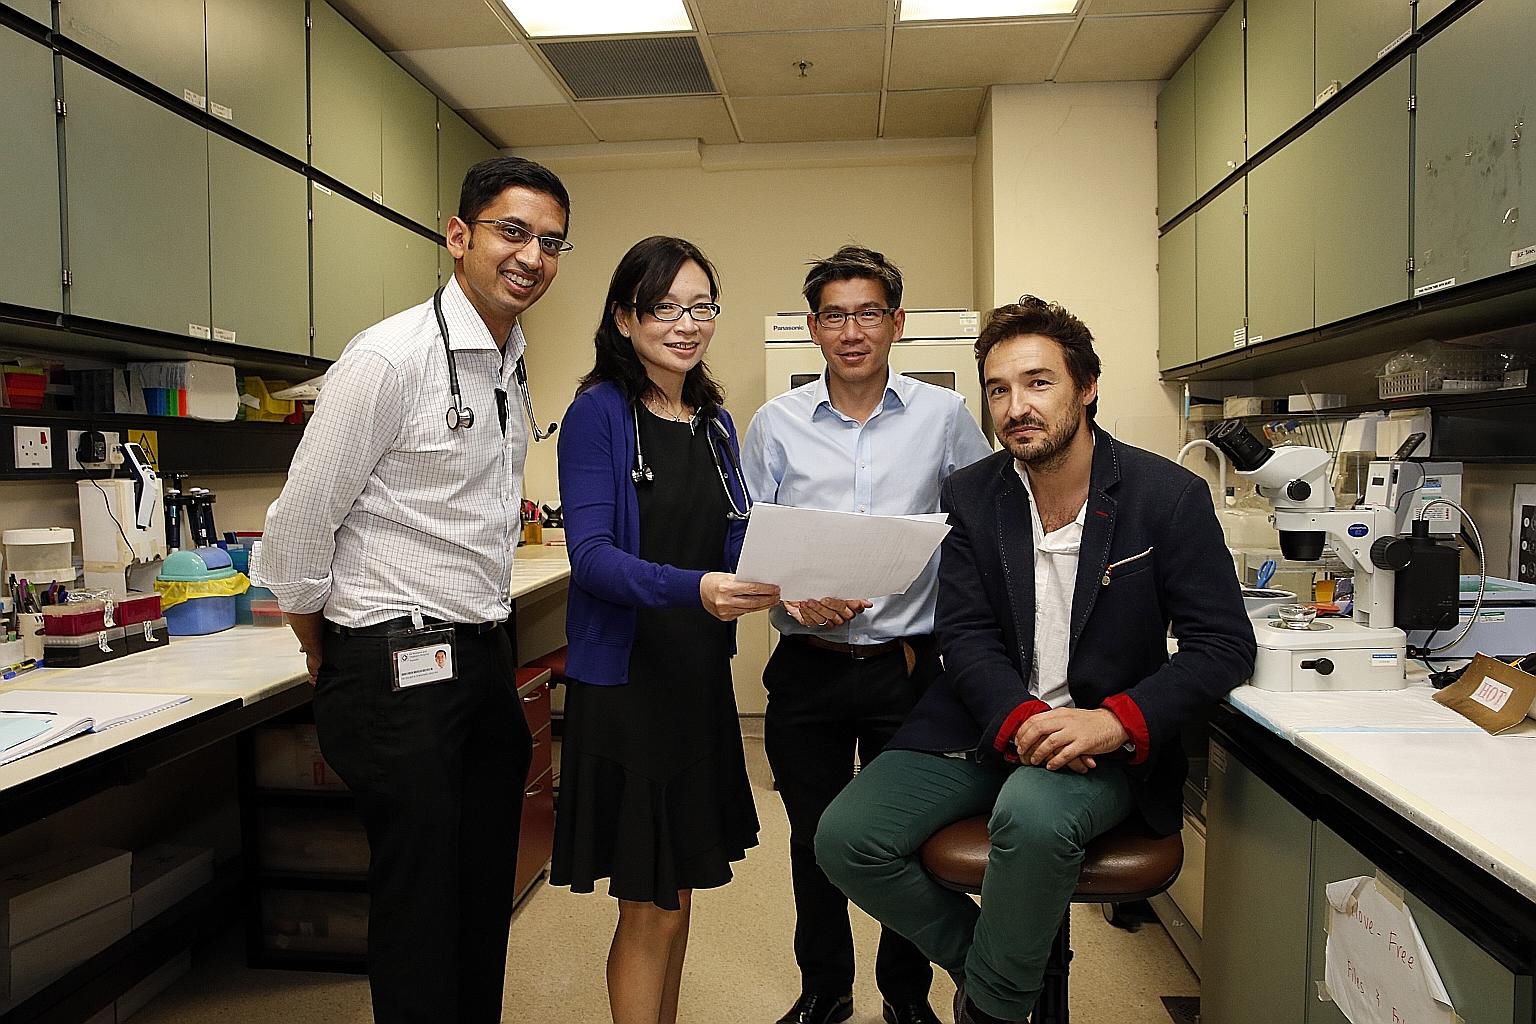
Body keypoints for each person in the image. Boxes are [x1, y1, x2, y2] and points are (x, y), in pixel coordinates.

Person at [815, 296, 1256, 1024]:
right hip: (983, 721)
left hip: (1103, 743)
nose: (1016, 405)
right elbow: (965, 634)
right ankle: (1000, 974)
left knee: (1031, 814)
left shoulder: (1166, 497)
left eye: (1038, 382)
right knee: (846, 838)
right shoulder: (972, 493)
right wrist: (1018, 718)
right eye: (998, 389)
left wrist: (1114, 722)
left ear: (1086, 387)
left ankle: (989, 1012)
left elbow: (1222, 646)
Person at [259, 156, 571, 1024]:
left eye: (550, 242)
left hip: (476, 657)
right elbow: (299, 522)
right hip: (394, 666)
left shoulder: (506, 357)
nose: (531, 257)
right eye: (513, 232)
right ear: (459, 235)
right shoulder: (390, 358)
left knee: (481, 890)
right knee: (423, 903)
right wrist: (317, 640)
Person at [741, 245, 991, 1024]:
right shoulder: (774, 424)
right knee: (816, 840)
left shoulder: (944, 417)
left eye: (869, 313)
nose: (854, 330)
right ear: (814, 328)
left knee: (902, 842)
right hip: (807, 669)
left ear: (897, 323)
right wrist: (795, 591)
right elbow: (745, 542)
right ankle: (825, 991)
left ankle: (905, 997)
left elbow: (981, 528)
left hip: (910, 671)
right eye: (837, 315)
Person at [549, 236, 780, 1024]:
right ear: (625, 316)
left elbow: (734, 540)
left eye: (701, 306)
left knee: (678, 890)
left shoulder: (712, 422)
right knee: (647, 903)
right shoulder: (598, 415)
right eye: (665, 307)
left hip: (695, 680)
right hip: (630, 686)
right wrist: (700, 588)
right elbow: (593, 560)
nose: (686, 323)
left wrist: (806, 575)